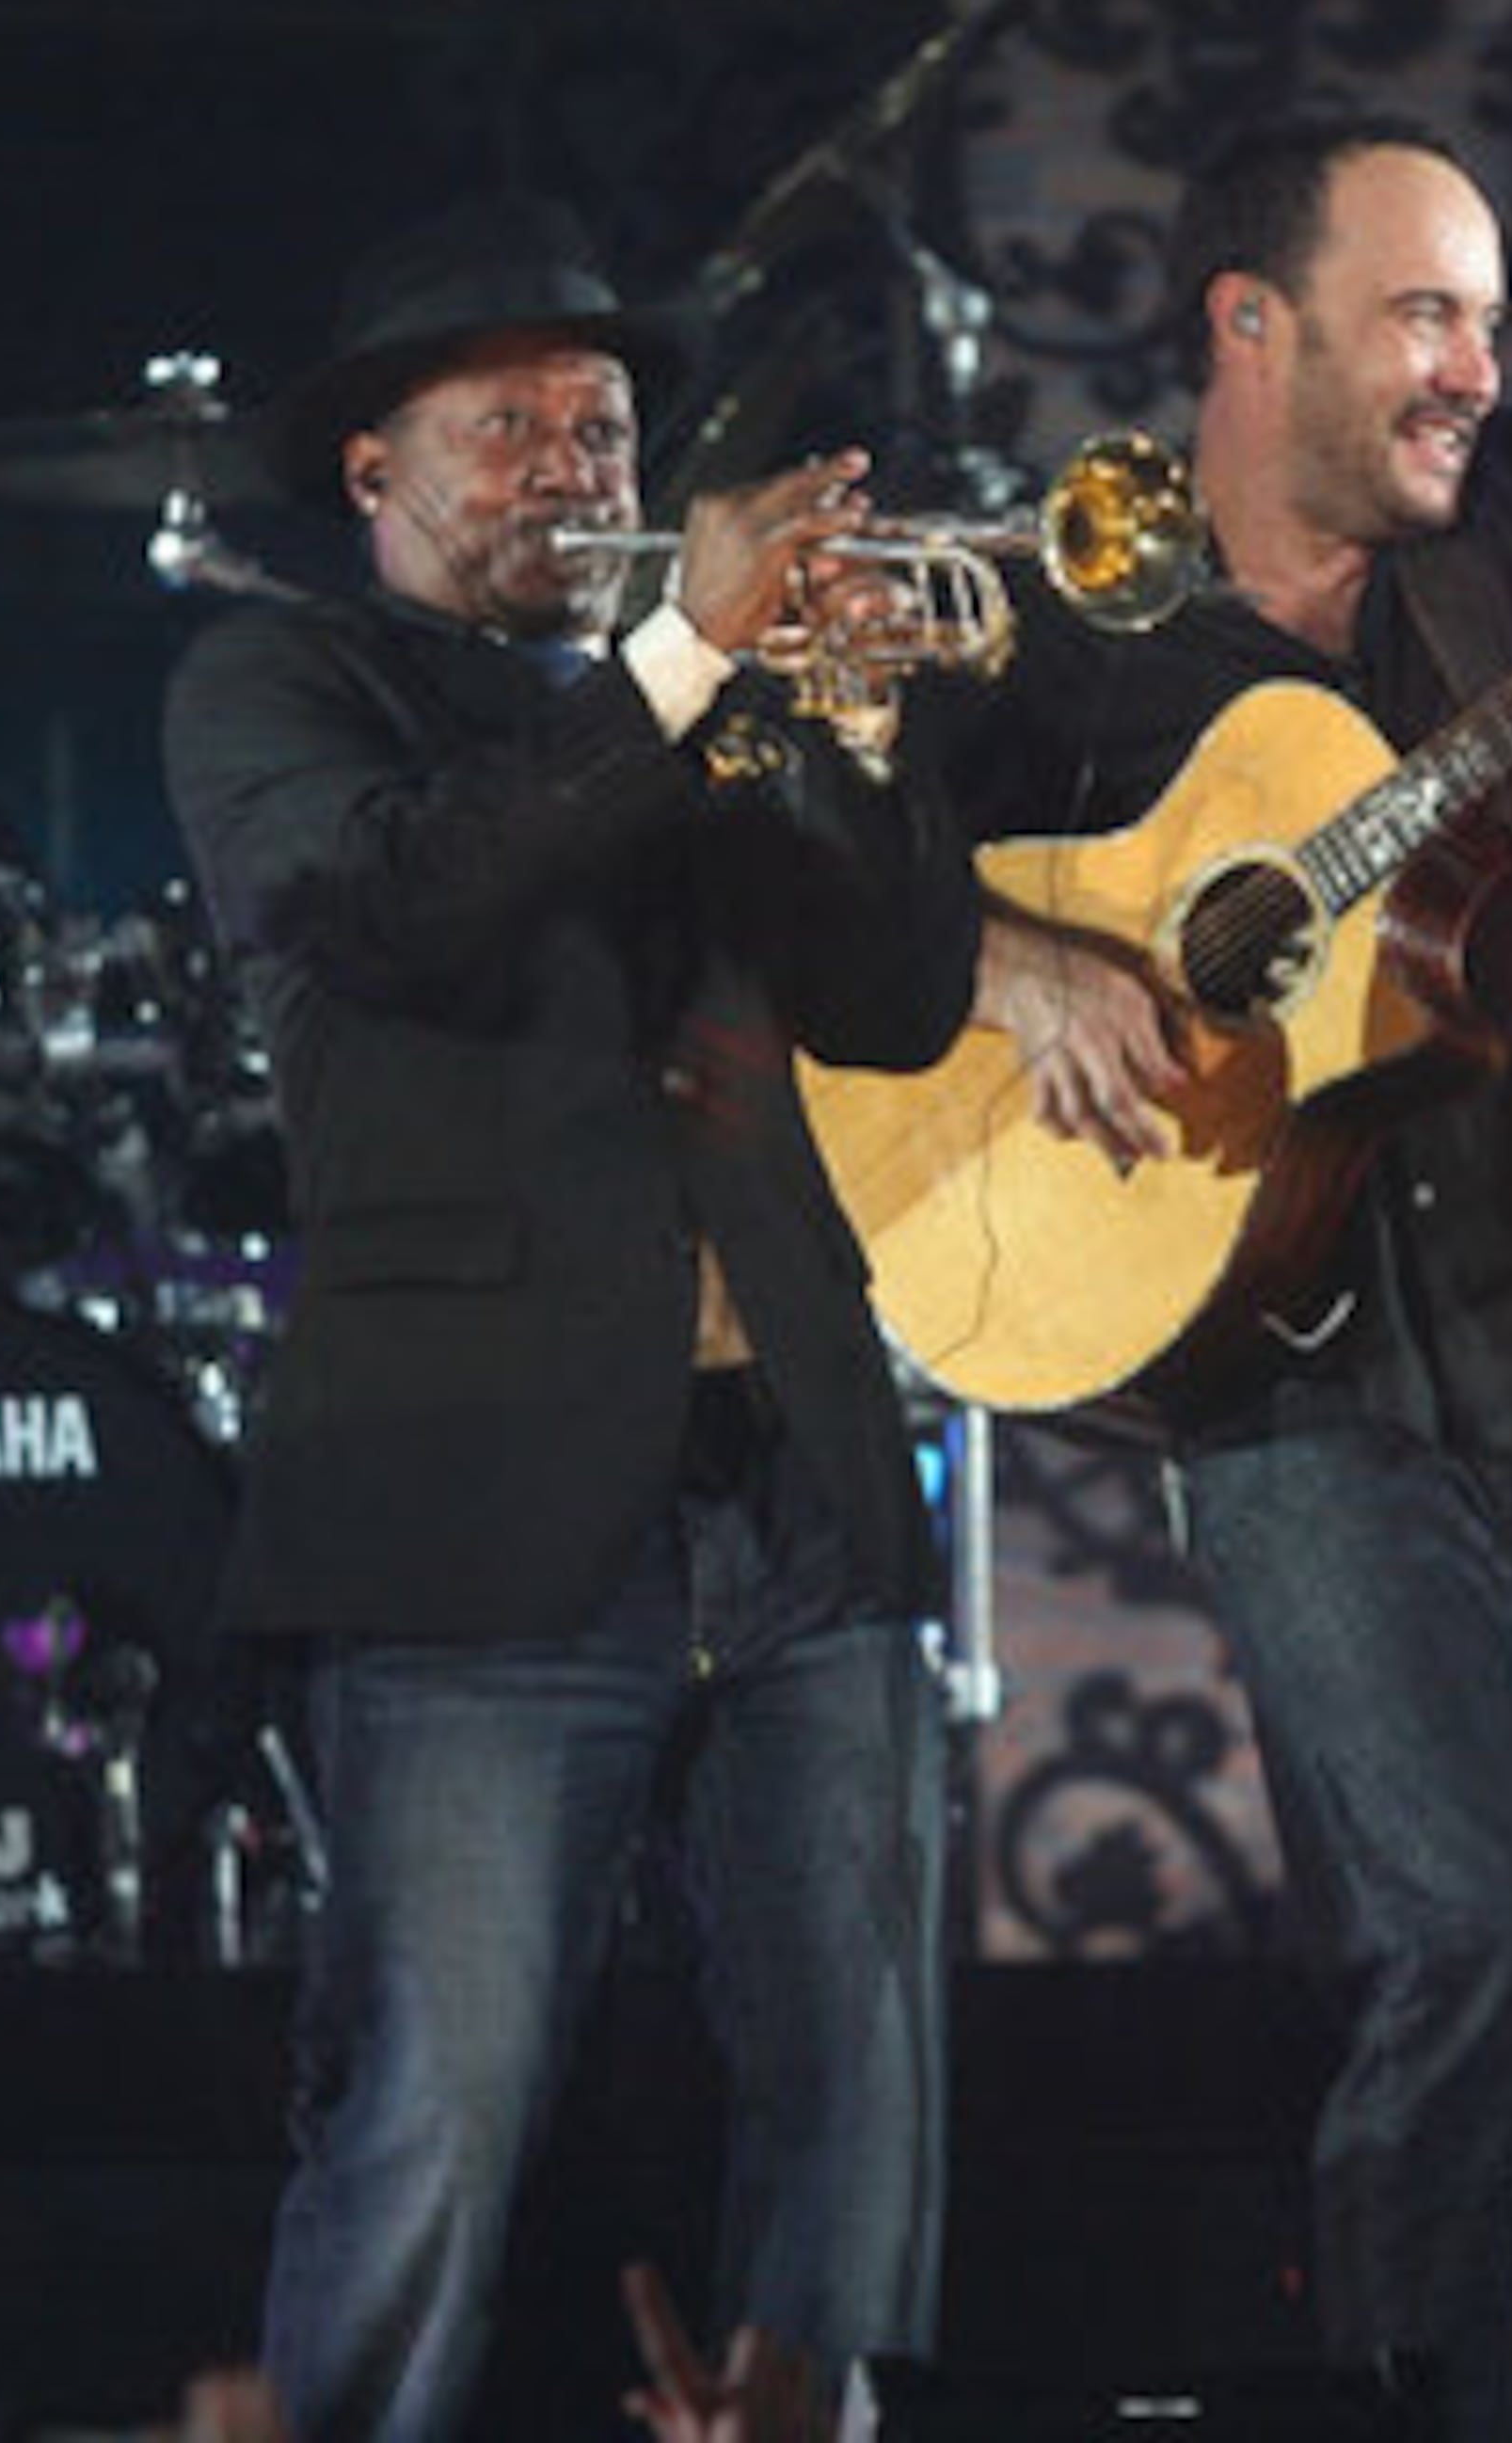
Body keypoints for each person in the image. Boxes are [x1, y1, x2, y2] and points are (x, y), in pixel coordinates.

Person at [933, 108, 1512, 2439]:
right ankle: (1377, 2398)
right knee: (1477, 1935)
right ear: (1254, 329)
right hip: (1295, 1378)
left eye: (1486, 313)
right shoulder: (1084, 613)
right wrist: (1024, 955)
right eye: (1421, 315)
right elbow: (861, 904)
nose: (1475, 363)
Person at [161, 194, 976, 2439]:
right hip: (480, 1512)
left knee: (856, 2093)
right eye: (507, 424)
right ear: (373, 474)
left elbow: (895, 1006)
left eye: (604, 427)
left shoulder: (699, 713)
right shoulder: (280, 683)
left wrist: (874, 739)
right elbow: (410, 909)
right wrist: (683, 671)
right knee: (438, 2103)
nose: (572, 467)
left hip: (790, 1495)